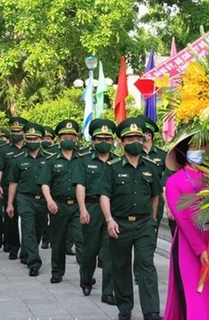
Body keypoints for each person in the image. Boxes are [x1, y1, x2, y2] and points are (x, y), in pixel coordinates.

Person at [99, 117, 162, 320]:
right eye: (130, 138)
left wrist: (153, 220)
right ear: (121, 142)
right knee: (121, 265)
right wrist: (109, 220)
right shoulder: (112, 167)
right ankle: (124, 306)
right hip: (120, 223)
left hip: (144, 223)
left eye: (138, 137)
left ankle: (151, 310)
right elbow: (104, 195)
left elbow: (155, 196)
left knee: (146, 265)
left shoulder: (150, 166)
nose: (135, 141)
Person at [163, 133, 209, 320]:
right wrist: (200, 249)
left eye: (201, 147)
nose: (199, 152)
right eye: (194, 148)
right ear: (183, 152)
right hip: (189, 245)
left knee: (207, 297)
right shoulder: (174, 182)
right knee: (191, 296)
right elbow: (183, 220)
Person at [75, 118, 116, 305]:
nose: (104, 142)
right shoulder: (84, 160)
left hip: (111, 210)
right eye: (100, 139)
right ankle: (85, 278)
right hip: (91, 208)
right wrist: (82, 209)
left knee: (110, 252)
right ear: (93, 141)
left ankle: (108, 291)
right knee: (89, 249)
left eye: (108, 139)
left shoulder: (118, 161)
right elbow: (80, 185)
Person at [38, 119, 83, 284]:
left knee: (82, 240)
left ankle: (85, 275)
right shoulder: (51, 159)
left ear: (76, 138)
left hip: (78, 206)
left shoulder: (83, 158)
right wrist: (49, 201)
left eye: (71, 136)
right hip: (58, 205)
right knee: (58, 241)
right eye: (65, 136)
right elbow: (45, 183)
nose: (68, 139)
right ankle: (57, 271)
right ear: (58, 139)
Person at [6, 123, 48, 276]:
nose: (32, 141)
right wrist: (10, 203)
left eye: (35, 139)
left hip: (43, 200)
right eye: (29, 139)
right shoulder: (18, 160)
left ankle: (26, 251)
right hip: (25, 198)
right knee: (28, 228)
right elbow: (13, 182)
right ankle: (34, 263)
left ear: (41, 139)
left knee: (38, 229)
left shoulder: (48, 159)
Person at [0, 116, 28, 260]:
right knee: (11, 221)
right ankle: (14, 247)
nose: (16, 133)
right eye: (13, 131)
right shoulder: (4, 150)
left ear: (24, 132)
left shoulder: (32, 148)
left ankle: (27, 249)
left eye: (19, 131)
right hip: (8, 190)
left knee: (28, 221)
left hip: (27, 190)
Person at [41, 126, 57, 250]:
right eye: (44, 138)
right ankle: (45, 238)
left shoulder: (55, 152)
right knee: (43, 217)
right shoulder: (37, 151)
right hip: (41, 190)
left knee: (54, 217)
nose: (46, 141)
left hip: (55, 190)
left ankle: (52, 238)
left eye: (48, 138)